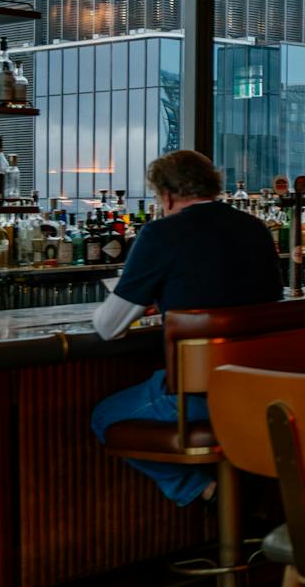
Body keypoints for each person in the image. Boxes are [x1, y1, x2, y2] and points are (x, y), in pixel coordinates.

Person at [89, 150, 284, 505]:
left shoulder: (161, 233)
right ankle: (235, 500)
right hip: (266, 390)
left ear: (165, 195)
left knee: (104, 416)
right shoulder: (255, 228)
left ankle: (208, 492)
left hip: (200, 400)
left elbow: (108, 327)